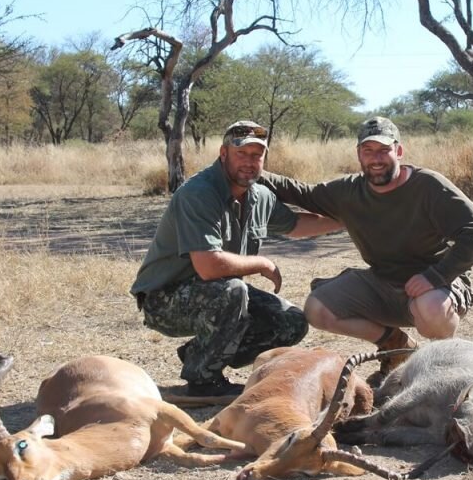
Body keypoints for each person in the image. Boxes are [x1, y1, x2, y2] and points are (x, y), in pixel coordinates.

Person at [260, 116, 473, 380]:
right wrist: (252, 169)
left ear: (399, 151)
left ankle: (441, 367)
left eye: (384, 150)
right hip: (382, 282)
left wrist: (434, 277)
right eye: (368, 151)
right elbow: (303, 194)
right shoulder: (349, 191)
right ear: (359, 155)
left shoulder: (428, 186)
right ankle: (396, 346)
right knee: (317, 309)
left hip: (436, 287)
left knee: (430, 307)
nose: (376, 159)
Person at [131, 120, 343, 396]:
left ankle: (199, 354)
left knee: (291, 321)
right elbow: (209, 267)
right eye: (241, 153)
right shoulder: (199, 193)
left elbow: (297, 225)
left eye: (257, 155)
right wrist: (263, 263)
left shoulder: (259, 195)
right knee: (233, 290)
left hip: (217, 293)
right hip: (164, 300)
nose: (249, 162)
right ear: (223, 153)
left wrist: (347, 221)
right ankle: (203, 381)